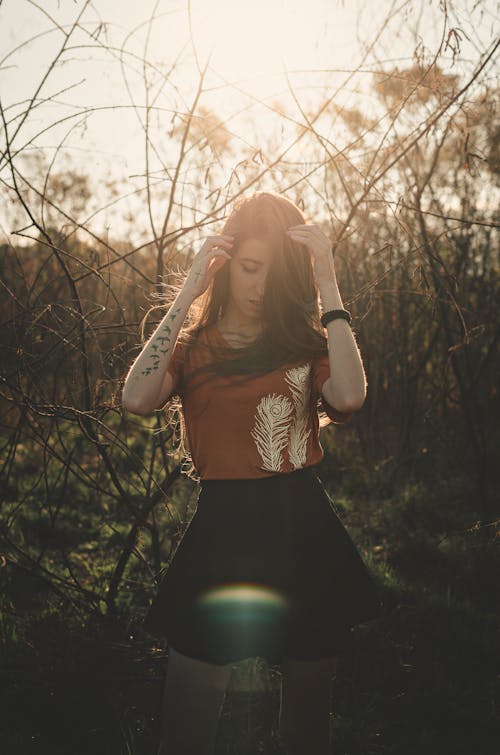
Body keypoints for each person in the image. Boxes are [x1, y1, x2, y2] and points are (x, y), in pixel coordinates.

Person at [122, 192, 382, 755]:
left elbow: (351, 395)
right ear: (228, 264)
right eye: (249, 268)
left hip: (304, 532)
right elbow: (137, 397)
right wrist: (190, 288)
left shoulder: (305, 346)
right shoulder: (194, 349)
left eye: (276, 272)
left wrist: (329, 285)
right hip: (221, 536)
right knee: (187, 731)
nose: (260, 285)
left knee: (307, 730)